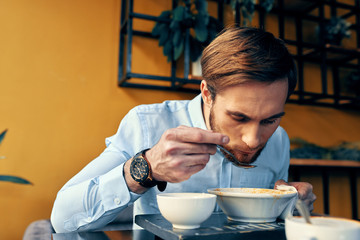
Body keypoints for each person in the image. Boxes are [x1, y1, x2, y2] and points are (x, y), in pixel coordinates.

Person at [51, 27, 316, 233]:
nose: (252, 140)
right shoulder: (146, 123)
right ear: (207, 94)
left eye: (270, 120)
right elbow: (63, 220)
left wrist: (291, 205)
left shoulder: (280, 140)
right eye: (238, 117)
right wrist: (145, 169)